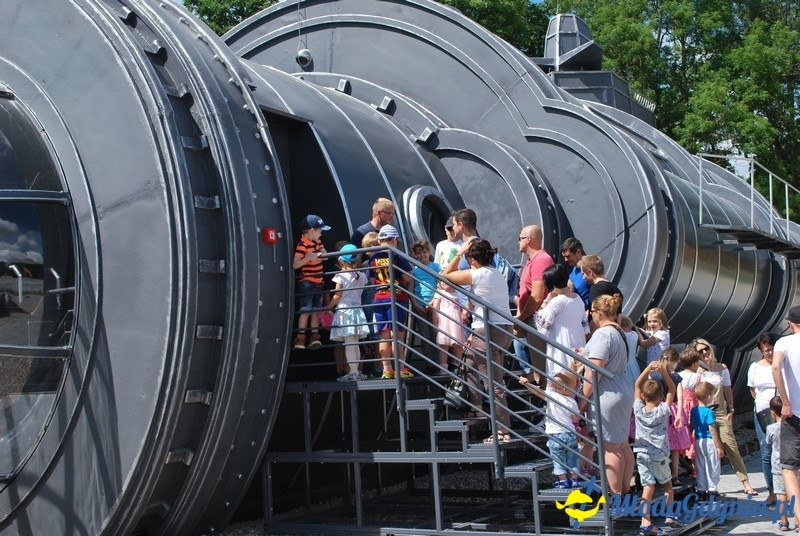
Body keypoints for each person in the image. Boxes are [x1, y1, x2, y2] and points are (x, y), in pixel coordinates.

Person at [442, 239, 514, 443]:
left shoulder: (478, 274)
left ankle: (503, 430)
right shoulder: (495, 273)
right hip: (500, 330)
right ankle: (477, 409)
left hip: (488, 332)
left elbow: (445, 276)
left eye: (467, 257)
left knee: (493, 383)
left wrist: (457, 254)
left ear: (472, 258)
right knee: (468, 364)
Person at [580, 293, 634, 494]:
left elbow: (594, 371)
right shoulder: (621, 332)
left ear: (600, 314)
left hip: (607, 393)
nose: (591, 315)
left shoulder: (603, 334)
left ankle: (615, 494)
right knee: (622, 445)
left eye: (592, 312)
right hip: (623, 387)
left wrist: (583, 399)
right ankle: (625, 489)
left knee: (610, 447)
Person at [694, 338, 757, 495]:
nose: (704, 353)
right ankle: (706, 485)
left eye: (705, 349)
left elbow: (728, 389)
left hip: (720, 411)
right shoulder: (698, 371)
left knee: (731, 446)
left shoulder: (722, 368)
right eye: (700, 351)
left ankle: (745, 482)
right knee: (702, 449)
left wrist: (731, 409)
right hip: (704, 411)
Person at [633, 361, 682, 534]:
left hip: (641, 454)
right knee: (668, 486)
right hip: (659, 455)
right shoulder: (663, 410)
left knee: (648, 487)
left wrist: (647, 370)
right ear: (661, 397)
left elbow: (637, 385)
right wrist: (662, 370)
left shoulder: (638, 409)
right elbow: (672, 389)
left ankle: (645, 522)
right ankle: (669, 514)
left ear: (644, 397)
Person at [366, 225, 414, 379]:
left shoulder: (373, 258)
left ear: (379, 241)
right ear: (395, 240)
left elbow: (372, 280)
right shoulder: (397, 256)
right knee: (397, 335)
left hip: (379, 298)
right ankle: (400, 368)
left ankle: (387, 369)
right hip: (396, 297)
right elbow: (407, 278)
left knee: (384, 335)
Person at [519, 371, 581, 488]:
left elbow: (538, 392)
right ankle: (574, 479)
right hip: (570, 433)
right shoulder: (572, 401)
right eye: (573, 388)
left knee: (558, 458)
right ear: (565, 389)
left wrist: (527, 384)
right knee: (572, 457)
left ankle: (563, 481)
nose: (574, 390)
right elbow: (576, 418)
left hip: (555, 434)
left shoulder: (552, 396)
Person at [513, 224, 554, 385]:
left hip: (535, 321)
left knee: (542, 367)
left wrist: (521, 319)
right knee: (537, 365)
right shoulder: (532, 261)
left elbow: (537, 295)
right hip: (528, 320)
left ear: (528, 240)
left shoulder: (541, 260)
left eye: (520, 238)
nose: (518, 242)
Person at [534, 264, 589, 379]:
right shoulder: (577, 298)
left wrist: (546, 301)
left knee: (561, 378)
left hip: (562, 343)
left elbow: (541, 325)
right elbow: (585, 324)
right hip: (577, 342)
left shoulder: (557, 301)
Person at [772, 305, 800, 518]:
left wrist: (785, 401)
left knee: (789, 469)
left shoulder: (784, 342)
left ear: (790, 324)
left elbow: (775, 367)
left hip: (793, 415)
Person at [329, 244, 370, 381]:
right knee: (355, 343)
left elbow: (337, 295)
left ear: (341, 260)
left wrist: (328, 306)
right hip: (358, 310)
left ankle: (352, 372)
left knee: (349, 344)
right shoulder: (363, 276)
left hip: (345, 311)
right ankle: (356, 371)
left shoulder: (340, 275)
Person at [648, 348, 691, 480]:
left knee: (659, 443)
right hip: (673, 410)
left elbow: (650, 392)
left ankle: (658, 473)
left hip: (657, 408)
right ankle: (675, 474)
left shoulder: (653, 375)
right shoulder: (676, 377)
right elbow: (680, 397)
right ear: (676, 362)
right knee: (675, 446)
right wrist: (679, 415)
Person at [748, 332, 779, 505]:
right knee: (766, 453)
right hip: (762, 413)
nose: (768, 353)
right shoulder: (755, 367)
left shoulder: (782, 364)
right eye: (765, 350)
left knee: (785, 452)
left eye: (771, 349)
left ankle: (789, 490)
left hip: (781, 412)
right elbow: (753, 390)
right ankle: (772, 491)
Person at [292, 214, 330, 349]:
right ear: (312, 231)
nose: (321, 234)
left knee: (315, 311)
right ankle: (301, 338)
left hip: (318, 282)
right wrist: (308, 258)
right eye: (320, 231)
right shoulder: (302, 245)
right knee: (305, 310)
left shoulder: (318, 242)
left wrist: (319, 254)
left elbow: (325, 256)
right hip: (307, 282)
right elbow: (295, 265)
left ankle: (315, 336)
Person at [691, 381, 725, 500]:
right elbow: (712, 429)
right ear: (709, 397)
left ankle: (701, 489)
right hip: (709, 441)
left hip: (698, 440)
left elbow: (692, 425)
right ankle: (712, 489)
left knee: (700, 465)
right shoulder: (709, 412)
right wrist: (719, 446)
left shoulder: (693, 410)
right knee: (713, 465)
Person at [410, 240, 441, 370]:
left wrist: (433, 302)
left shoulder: (435, 267)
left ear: (428, 252)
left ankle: (439, 361)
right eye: (419, 253)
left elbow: (440, 286)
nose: (422, 255)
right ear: (415, 255)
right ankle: (429, 363)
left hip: (434, 304)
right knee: (425, 335)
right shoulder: (413, 270)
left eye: (424, 252)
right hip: (419, 306)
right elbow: (410, 289)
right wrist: (416, 305)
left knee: (436, 333)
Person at [765, 396, 792, 531]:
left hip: (777, 465)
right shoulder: (793, 427)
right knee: (795, 493)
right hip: (793, 463)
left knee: (781, 494)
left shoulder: (771, 428)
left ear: (772, 412)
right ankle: (798, 522)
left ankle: (784, 522)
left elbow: (768, 443)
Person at [430, 281, 464, 372]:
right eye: (441, 281)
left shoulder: (458, 293)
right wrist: (435, 322)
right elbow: (435, 309)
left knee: (458, 344)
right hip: (444, 321)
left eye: (446, 281)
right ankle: (443, 368)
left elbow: (461, 308)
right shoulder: (440, 293)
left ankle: (460, 366)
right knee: (444, 344)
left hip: (456, 321)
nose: (443, 283)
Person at [560, 237, 591, 309]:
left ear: (578, 252)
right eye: (564, 257)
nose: (565, 260)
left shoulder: (590, 268)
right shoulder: (575, 269)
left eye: (568, 256)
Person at [618, 316, 641, 388]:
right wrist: (636, 329)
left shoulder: (621, 336)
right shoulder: (635, 335)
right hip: (634, 365)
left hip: (624, 366)